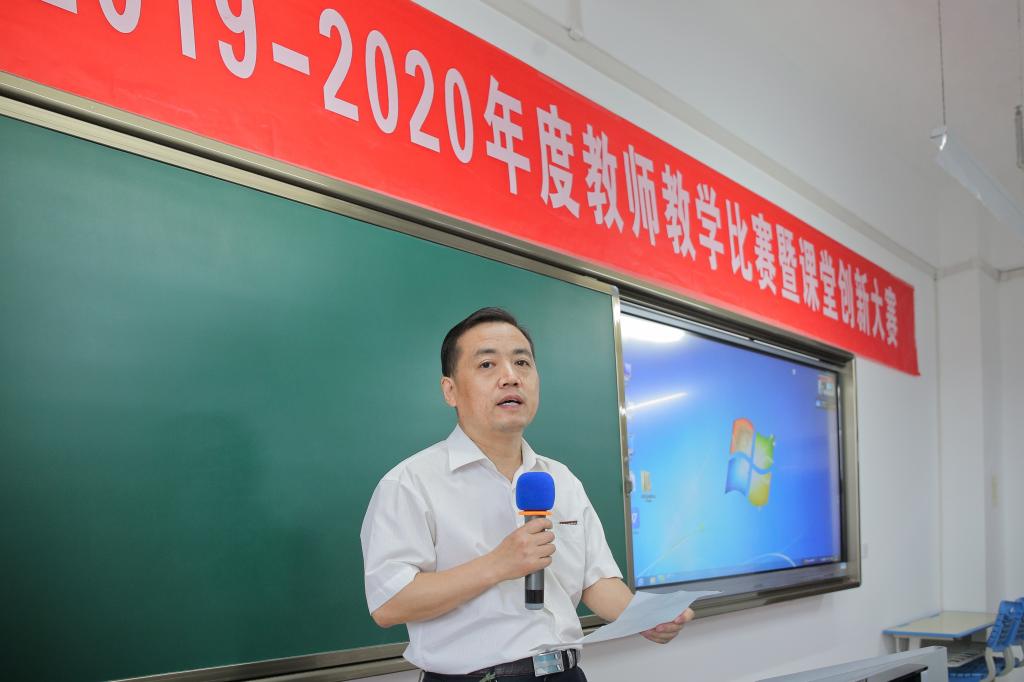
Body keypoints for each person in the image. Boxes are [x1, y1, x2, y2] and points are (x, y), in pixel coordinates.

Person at [360, 307, 693, 681]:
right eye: (487, 365)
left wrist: (645, 617)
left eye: (522, 363)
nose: (510, 377)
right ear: (450, 390)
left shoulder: (561, 479)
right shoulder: (410, 483)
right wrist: (497, 565)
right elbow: (389, 603)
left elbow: (595, 581)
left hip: (566, 674)